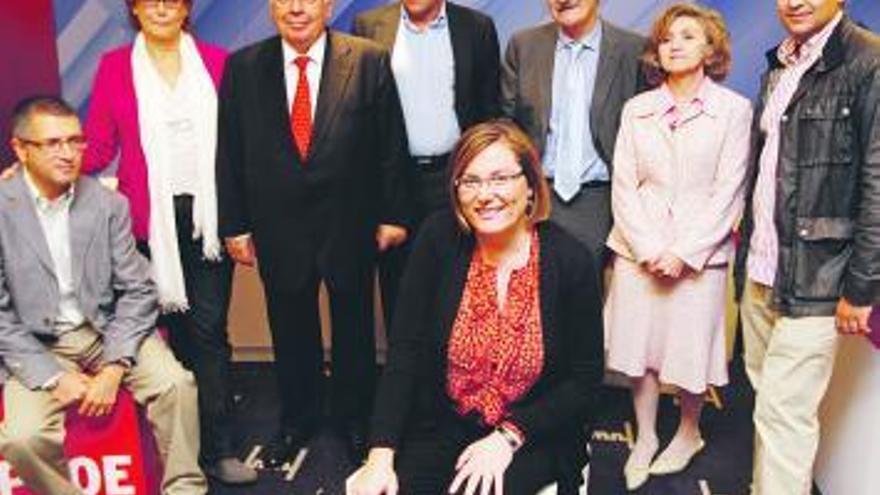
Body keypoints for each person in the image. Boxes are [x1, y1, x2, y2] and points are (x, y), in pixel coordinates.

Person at [347, 120, 604, 495]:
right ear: (456, 192)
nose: (485, 194)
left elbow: (584, 380)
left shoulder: (570, 260)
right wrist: (380, 455)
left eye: (500, 178)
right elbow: (405, 352)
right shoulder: (437, 240)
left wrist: (509, 437)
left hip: (533, 433)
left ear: (530, 186)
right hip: (444, 424)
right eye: (470, 181)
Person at [216, 0, 411, 465]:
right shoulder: (243, 68)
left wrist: (394, 215)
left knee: (355, 331)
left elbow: (390, 144)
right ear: (270, 8)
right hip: (278, 226)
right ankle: (297, 420)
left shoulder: (367, 59)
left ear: (327, 7)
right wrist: (235, 224)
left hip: (351, 223)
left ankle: (355, 420)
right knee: (290, 331)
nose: (296, 8)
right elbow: (229, 151)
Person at [81, 0, 256, 484]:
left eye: (172, 0)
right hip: (144, 225)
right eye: (149, 0)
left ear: (186, 9)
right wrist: (43, 168)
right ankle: (171, 450)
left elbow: (240, 144)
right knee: (159, 340)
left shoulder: (219, 62)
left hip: (206, 221)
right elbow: (98, 145)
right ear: (134, 10)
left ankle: (218, 450)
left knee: (207, 334)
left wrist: (247, 217)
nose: (161, 8)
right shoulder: (114, 68)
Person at [0, 96, 205, 495]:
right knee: (22, 438)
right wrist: (52, 376)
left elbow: (138, 290)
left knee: (176, 385)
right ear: (21, 150)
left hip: (107, 330)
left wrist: (115, 367)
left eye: (76, 142)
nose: (68, 154)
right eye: (53, 143)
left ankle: (185, 489)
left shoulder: (108, 203)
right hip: (37, 343)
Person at [602, 3, 752, 490]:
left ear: (711, 50)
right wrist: (648, 248)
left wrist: (683, 252)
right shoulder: (637, 109)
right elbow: (623, 185)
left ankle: (688, 433)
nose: (675, 45)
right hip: (638, 252)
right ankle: (645, 436)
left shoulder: (734, 111)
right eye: (667, 38)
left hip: (699, 257)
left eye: (688, 37)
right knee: (640, 352)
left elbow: (729, 190)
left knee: (688, 353)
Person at [735, 1, 880, 493]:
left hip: (820, 276)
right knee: (768, 403)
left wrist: (861, 289)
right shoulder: (781, 62)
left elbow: (877, 184)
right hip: (761, 269)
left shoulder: (869, 62)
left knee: (783, 416)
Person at [353, 0, 501, 333]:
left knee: (462, 290)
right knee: (400, 294)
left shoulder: (476, 28)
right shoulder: (368, 26)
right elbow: (360, 112)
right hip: (393, 182)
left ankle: (459, 382)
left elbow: (489, 110)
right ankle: (406, 383)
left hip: (456, 179)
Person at [501, 0, 645, 273]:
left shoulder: (633, 50)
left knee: (585, 299)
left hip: (600, 200)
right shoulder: (523, 45)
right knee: (531, 293)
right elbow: (505, 122)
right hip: (535, 196)